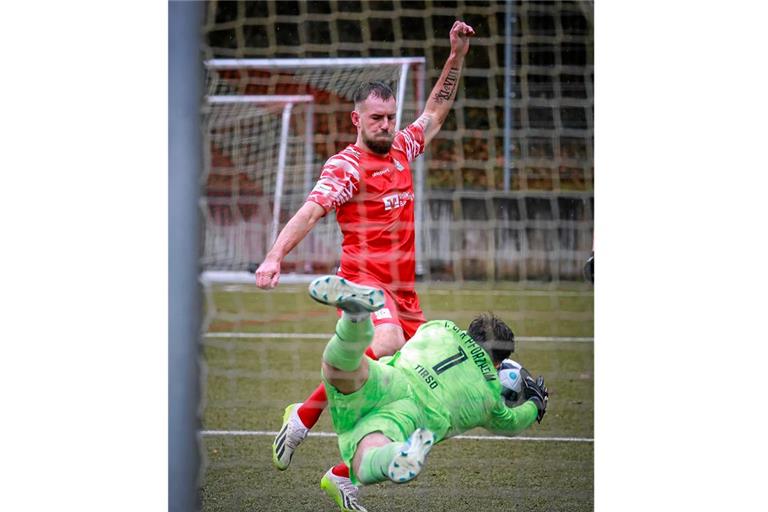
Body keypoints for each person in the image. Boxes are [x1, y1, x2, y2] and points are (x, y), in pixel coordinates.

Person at [260, 20, 477, 474]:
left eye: (389, 117)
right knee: (387, 338)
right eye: (375, 118)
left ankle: (343, 475)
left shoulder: (402, 148)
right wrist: (275, 255)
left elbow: (435, 112)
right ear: (356, 119)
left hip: (404, 290)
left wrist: (455, 57)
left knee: (422, 379)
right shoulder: (346, 166)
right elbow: (311, 210)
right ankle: (302, 417)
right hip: (362, 283)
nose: (384, 125)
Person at [303, 275, 549, 512]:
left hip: (389, 378)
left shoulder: (440, 328)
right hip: (412, 413)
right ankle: (399, 455)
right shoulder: (490, 395)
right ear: (498, 363)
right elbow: (511, 423)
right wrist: (535, 404)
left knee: (337, 369)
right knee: (368, 457)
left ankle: (353, 320)